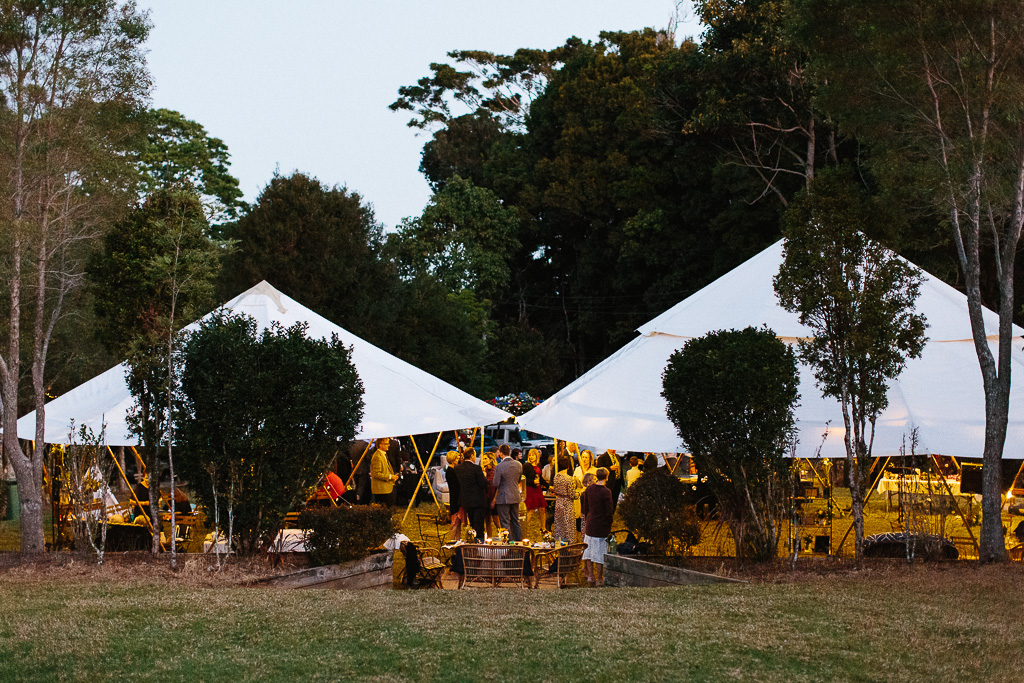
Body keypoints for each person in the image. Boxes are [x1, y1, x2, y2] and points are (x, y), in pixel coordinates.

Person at [581, 467, 614, 586]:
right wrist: (609, 523)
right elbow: (609, 510)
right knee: (599, 552)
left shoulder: (589, 489)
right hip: (601, 525)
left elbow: (585, 507)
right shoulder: (606, 492)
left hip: (591, 522)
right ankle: (599, 578)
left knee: (589, 550)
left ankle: (590, 576)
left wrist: (588, 516)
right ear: (607, 477)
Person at [455, 449, 488, 541]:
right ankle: (479, 543)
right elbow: (483, 484)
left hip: (466, 500)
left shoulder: (458, 468)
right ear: (472, 456)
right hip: (478, 500)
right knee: (479, 525)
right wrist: (484, 476)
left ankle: (472, 541)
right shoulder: (476, 468)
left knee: (472, 523)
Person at [493, 445, 523, 542]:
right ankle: (519, 542)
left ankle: (509, 545)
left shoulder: (499, 466)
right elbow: (518, 480)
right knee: (516, 521)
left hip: (503, 497)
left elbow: (495, 483)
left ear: (501, 453)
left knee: (505, 522)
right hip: (515, 495)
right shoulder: (518, 465)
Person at [552, 454, 579, 543]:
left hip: (559, 501)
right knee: (568, 525)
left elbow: (555, 490)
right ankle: (570, 544)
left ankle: (559, 542)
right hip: (567, 503)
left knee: (559, 525)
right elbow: (572, 495)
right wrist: (579, 493)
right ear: (567, 466)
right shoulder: (569, 479)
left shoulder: (556, 476)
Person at [573, 449, 597, 535]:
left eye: (586, 457)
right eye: (583, 457)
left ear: (590, 459)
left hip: (589, 496)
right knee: (578, 518)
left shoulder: (594, 470)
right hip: (579, 496)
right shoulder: (577, 469)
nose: (584, 459)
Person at [523, 448, 546, 535]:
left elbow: (540, 478)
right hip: (530, 489)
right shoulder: (526, 466)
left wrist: (548, 486)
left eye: (533, 455)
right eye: (530, 455)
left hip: (538, 489)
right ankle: (523, 528)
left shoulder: (538, 465)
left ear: (537, 456)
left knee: (542, 509)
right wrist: (533, 482)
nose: (531, 457)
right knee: (531, 510)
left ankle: (543, 528)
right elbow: (524, 479)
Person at [370, 438, 399, 506]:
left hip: (386, 488)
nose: (388, 445)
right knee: (384, 509)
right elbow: (376, 474)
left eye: (388, 443)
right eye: (386, 444)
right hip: (381, 489)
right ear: (380, 445)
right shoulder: (377, 456)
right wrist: (390, 476)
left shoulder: (383, 455)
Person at [444, 451, 465, 541]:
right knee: (455, 523)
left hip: (456, 498)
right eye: (456, 459)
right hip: (456, 499)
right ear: (452, 460)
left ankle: (458, 539)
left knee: (458, 523)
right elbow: (456, 486)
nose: (458, 460)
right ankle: (452, 541)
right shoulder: (451, 471)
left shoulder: (452, 470)